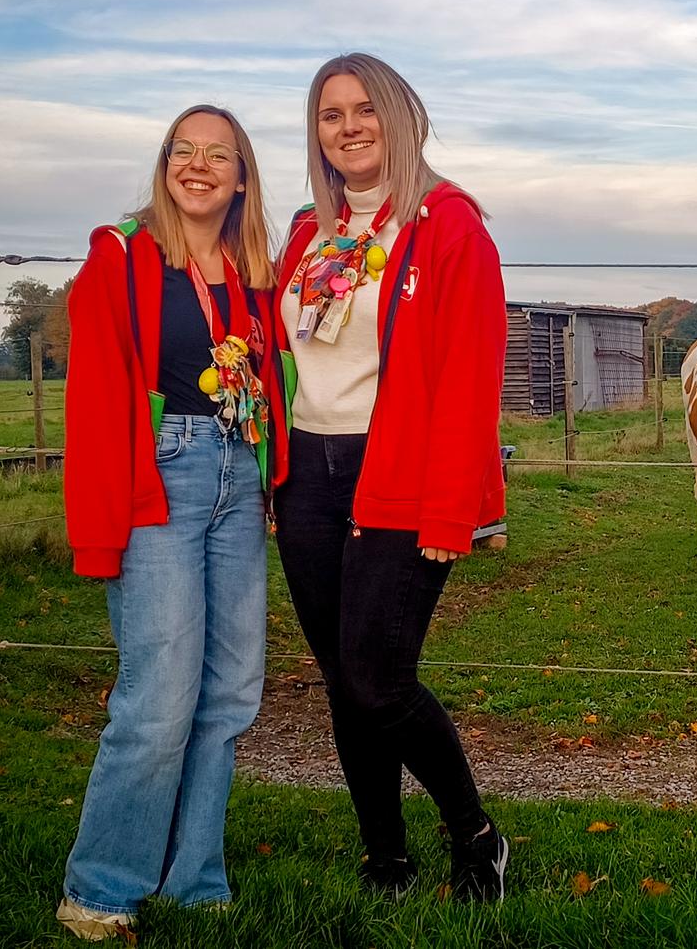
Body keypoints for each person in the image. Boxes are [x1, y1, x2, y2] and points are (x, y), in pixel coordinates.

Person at [269, 53, 509, 900]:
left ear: (402, 118)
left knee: (380, 679)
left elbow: (470, 377)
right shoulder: (309, 234)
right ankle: (384, 853)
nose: (350, 126)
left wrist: (453, 515)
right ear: (317, 133)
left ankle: (474, 834)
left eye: (366, 108)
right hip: (308, 477)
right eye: (331, 114)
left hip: (396, 476)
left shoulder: (449, 226)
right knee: (343, 679)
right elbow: (277, 361)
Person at [57, 104, 283, 940]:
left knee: (228, 693)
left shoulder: (255, 265)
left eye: (217, 154)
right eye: (182, 151)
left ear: (242, 174)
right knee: (158, 695)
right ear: (164, 165)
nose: (198, 166)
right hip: (163, 471)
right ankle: (100, 888)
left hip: (237, 471)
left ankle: (195, 880)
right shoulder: (121, 255)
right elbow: (94, 398)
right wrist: (106, 515)